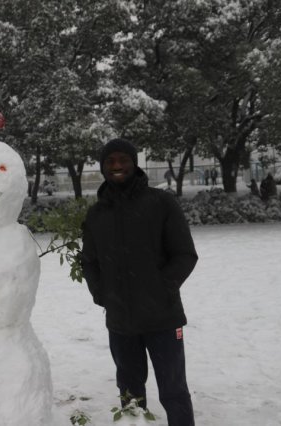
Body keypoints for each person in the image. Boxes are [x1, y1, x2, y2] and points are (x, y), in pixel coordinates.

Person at [81, 138, 198, 426]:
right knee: (130, 393)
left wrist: (161, 289)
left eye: (123, 160)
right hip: (121, 322)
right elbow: (90, 262)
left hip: (163, 319)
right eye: (111, 161)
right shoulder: (96, 215)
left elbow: (184, 255)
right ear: (103, 167)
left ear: (134, 163)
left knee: (173, 391)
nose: (117, 166)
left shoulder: (161, 203)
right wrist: (102, 295)